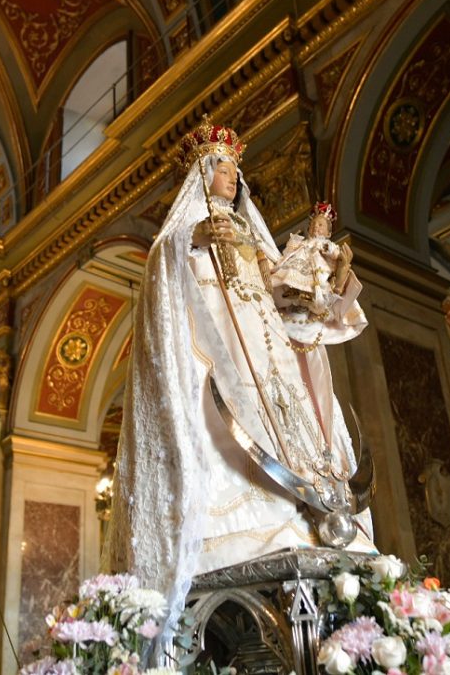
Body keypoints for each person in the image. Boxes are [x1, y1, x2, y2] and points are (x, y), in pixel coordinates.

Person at [108, 117, 374, 630]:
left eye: (235, 171)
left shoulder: (251, 233)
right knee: (231, 431)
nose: (233, 178)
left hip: (268, 358)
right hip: (219, 357)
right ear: (203, 173)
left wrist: (324, 271)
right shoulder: (182, 234)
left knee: (289, 427)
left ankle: (309, 511)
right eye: (223, 168)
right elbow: (161, 270)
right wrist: (192, 238)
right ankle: (244, 525)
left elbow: (285, 293)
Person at [270, 201, 367, 348]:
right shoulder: (304, 243)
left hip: (318, 271)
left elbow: (336, 254)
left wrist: (329, 250)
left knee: (319, 286)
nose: (316, 227)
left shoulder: (325, 244)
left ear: (328, 233)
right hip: (300, 267)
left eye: (320, 225)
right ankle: (293, 293)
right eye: (313, 224)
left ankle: (308, 297)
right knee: (289, 277)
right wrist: (292, 247)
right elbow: (289, 254)